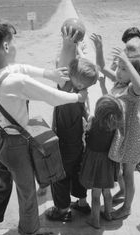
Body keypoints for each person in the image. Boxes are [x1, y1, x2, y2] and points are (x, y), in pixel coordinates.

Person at [0, 16, 88, 235]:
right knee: (27, 196)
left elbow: (18, 68)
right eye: (12, 42)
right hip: (14, 147)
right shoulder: (16, 83)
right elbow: (53, 97)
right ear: (6, 46)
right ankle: (31, 232)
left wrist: (49, 73)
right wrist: (77, 98)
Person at [91, 33, 140, 219]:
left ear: (133, 73)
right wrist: (99, 48)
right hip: (122, 137)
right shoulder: (120, 82)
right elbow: (102, 67)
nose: (119, 71)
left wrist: (127, 62)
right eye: (120, 67)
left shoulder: (133, 90)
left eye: (123, 69)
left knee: (128, 174)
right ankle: (123, 193)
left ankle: (127, 207)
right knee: (121, 171)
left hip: (131, 139)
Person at [46, 24, 98, 222]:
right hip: (78, 144)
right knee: (78, 172)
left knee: (59, 176)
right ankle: (82, 203)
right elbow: (75, 67)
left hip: (62, 145)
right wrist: (76, 47)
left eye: (70, 71)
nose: (66, 71)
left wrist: (67, 43)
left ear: (73, 78)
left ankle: (62, 210)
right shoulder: (82, 92)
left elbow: (62, 64)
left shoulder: (66, 89)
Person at [112, 27, 140, 174]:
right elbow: (113, 71)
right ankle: (129, 155)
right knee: (127, 128)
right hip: (126, 97)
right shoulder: (125, 59)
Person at [79, 95, 123, 229]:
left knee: (96, 195)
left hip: (95, 162)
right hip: (108, 163)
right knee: (107, 192)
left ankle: (95, 220)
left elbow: (87, 136)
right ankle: (109, 214)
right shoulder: (114, 125)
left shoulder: (93, 121)